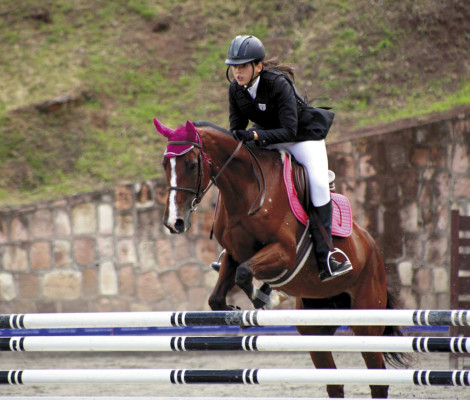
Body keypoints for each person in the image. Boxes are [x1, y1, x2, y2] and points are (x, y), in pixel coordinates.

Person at [225, 34, 352, 282]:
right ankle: (233, 247)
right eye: (234, 67)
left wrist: (254, 135)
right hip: (267, 138)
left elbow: (289, 130)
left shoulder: (277, 83)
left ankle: (327, 256)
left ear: (257, 66)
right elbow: (236, 130)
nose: (237, 72)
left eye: (242, 67)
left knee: (317, 183)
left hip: (303, 139)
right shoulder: (235, 90)